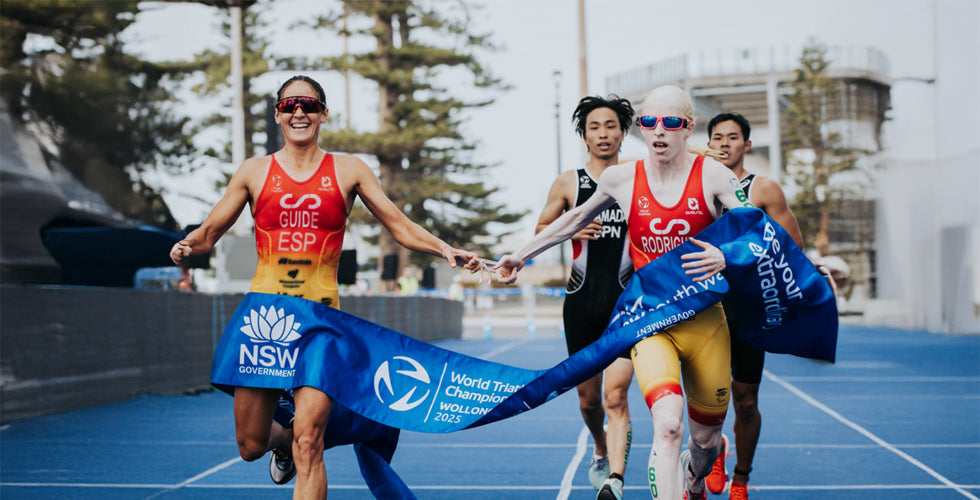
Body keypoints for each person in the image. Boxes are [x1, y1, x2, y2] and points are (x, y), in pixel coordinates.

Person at [170, 75, 480, 500]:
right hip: (265, 318)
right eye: (290, 104)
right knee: (251, 445)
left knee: (309, 442)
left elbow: (399, 225)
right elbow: (208, 233)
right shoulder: (254, 171)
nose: (300, 112)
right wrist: (187, 247)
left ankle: (298, 439)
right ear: (278, 113)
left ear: (323, 113)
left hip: (320, 320)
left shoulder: (349, 169)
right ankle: (282, 443)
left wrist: (445, 250)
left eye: (309, 104)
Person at [495, 85, 753, 500]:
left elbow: (755, 230)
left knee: (704, 442)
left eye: (671, 122)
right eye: (650, 122)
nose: (659, 131)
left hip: (705, 323)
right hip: (650, 319)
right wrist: (519, 256)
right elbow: (572, 218)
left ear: (687, 129)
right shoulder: (622, 178)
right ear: (642, 129)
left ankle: (695, 473)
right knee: (668, 423)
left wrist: (727, 257)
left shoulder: (713, 175)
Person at [535, 95, 636, 498]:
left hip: (627, 303)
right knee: (590, 401)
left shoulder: (638, 178)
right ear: (584, 136)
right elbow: (541, 228)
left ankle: (615, 478)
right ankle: (599, 445)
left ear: (623, 133)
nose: (603, 134)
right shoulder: (569, 182)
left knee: (616, 395)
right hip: (580, 302)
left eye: (611, 126)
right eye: (595, 127)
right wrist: (569, 228)